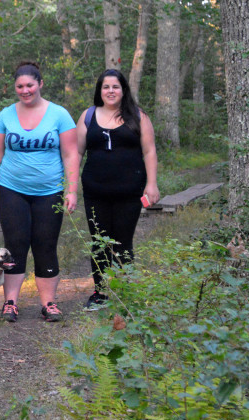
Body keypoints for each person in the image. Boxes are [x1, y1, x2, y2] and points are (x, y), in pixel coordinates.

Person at [0, 61, 80, 323]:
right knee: (14, 248)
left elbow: (71, 154)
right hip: (11, 191)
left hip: (49, 192)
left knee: (45, 246)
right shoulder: (5, 115)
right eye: (20, 86)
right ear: (15, 88)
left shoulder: (59, 115)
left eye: (30, 85)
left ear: (40, 84)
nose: (25, 90)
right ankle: (10, 304)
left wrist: (71, 190)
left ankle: (49, 304)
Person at [76, 69, 159, 310]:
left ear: (123, 90)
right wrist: (70, 185)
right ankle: (100, 293)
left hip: (129, 191)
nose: (110, 91)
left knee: (123, 242)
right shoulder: (88, 116)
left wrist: (151, 184)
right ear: (99, 91)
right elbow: (77, 152)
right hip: (95, 191)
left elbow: (149, 151)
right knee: (100, 242)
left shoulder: (138, 116)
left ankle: (125, 293)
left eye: (115, 87)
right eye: (105, 87)